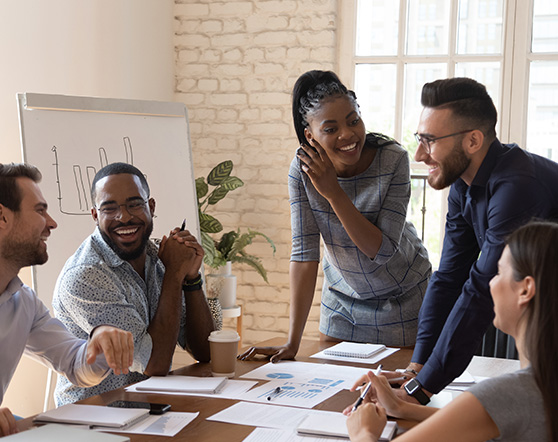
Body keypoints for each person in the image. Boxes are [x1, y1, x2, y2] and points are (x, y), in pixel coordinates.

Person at [240, 70, 431, 362]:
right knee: (333, 397)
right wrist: (292, 343)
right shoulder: (302, 170)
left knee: (395, 397)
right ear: (310, 135)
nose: (347, 135)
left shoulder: (393, 159)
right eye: (330, 129)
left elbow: (379, 251)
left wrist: (333, 192)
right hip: (343, 303)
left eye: (353, 120)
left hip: (404, 300)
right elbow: (304, 255)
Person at [391, 77, 558, 404]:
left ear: (473, 140)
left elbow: (481, 288)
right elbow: (450, 277)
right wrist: (417, 369)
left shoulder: (517, 187)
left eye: (430, 140)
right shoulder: (462, 186)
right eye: (419, 138)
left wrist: (421, 391)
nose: (421, 154)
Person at [346, 221, 557, 442]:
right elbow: (486, 418)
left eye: (498, 272)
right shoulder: (539, 386)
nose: (491, 284)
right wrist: (402, 408)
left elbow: (497, 407)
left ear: (525, 290)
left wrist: (364, 433)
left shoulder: (508, 393)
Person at [52, 162, 215, 405]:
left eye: (134, 204)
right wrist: (174, 273)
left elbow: (206, 352)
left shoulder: (157, 255)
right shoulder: (85, 275)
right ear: (95, 216)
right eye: (109, 208)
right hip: (94, 419)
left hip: (149, 408)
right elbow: (154, 363)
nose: (124, 216)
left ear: (151, 206)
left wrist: (191, 279)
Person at [0, 163, 134, 437]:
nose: (51, 223)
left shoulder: (22, 302)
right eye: (39, 210)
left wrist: (101, 343)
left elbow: (75, 364)